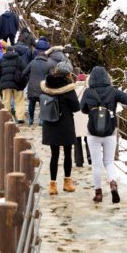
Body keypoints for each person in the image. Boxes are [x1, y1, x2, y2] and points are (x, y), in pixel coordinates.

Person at [80, 66, 127, 204]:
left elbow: (82, 109)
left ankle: (98, 193)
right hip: (110, 131)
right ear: (107, 77)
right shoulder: (113, 92)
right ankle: (113, 184)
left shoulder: (88, 92)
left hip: (93, 132)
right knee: (109, 162)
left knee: (96, 164)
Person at [40, 61, 80, 195]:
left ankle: (52, 185)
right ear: (68, 73)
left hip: (50, 123)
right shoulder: (68, 89)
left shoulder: (47, 85)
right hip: (65, 124)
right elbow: (76, 107)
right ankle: (67, 183)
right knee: (68, 153)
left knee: (54, 155)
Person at [22, 38, 52, 125]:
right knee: (42, 104)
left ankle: (31, 119)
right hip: (43, 87)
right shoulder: (48, 64)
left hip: (32, 86)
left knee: (32, 103)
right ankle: (41, 120)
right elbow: (51, 76)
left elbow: (24, 73)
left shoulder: (32, 62)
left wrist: (29, 77)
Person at [0, 44, 28, 123]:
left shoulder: (2, 60)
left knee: (6, 100)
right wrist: (23, 80)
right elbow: (25, 70)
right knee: (19, 100)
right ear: (13, 51)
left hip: (6, 84)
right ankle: (20, 117)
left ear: (5, 51)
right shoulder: (19, 59)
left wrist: (2, 80)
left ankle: (7, 117)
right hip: (18, 83)